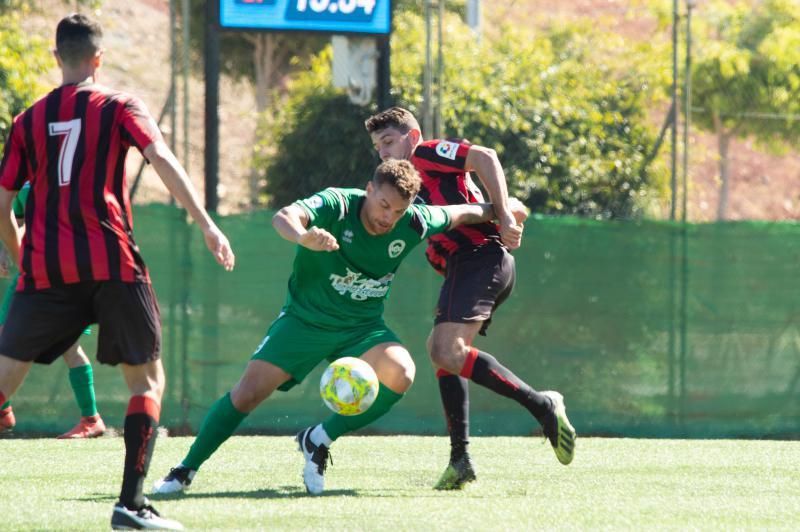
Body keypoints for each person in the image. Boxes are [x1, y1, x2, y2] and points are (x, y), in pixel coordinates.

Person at [152, 159, 518, 497]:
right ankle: (183, 471)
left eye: (399, 210)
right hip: (304, 321)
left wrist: (505, 211)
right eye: (384, 205)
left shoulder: (415, 221)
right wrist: (302, 236)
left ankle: (319, 438)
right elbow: (284, 216)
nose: (389, 217)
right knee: (247, 394)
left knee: (401, 373)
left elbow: (465, 212)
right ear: (370, 189)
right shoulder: (337, 205)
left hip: (362, 328)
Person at [0, 14, 235, 530]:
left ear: (56, 57)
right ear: (98, 60)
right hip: (112, 261)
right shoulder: (119, 104)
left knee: (3, 380)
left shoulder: (26, 121)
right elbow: (162, 158)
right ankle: (131, 505)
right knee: (147, 381)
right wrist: (206, 224)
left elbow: (0, 206)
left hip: (46, 270)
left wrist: (23, 262)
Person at [365, 107, 576, 490]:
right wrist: (507, 211)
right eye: (378, 146)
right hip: (468, 266)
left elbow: (485, 157)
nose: (383, 153)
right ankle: (460, 459)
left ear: (411, 139)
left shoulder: (425, 153)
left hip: (481, 259)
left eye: (389, 141)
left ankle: (543, 407)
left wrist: (508, 216)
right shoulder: (403, 192)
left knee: (447, 348)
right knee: (441, 350)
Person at [0, 182, 106, 439]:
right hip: (33, 270)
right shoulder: (23, 172)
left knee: (69, 346)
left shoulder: (69, 172)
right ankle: (3, 410)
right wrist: (4, 250)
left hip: (67, 270)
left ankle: (91, 419)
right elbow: (19, 218)